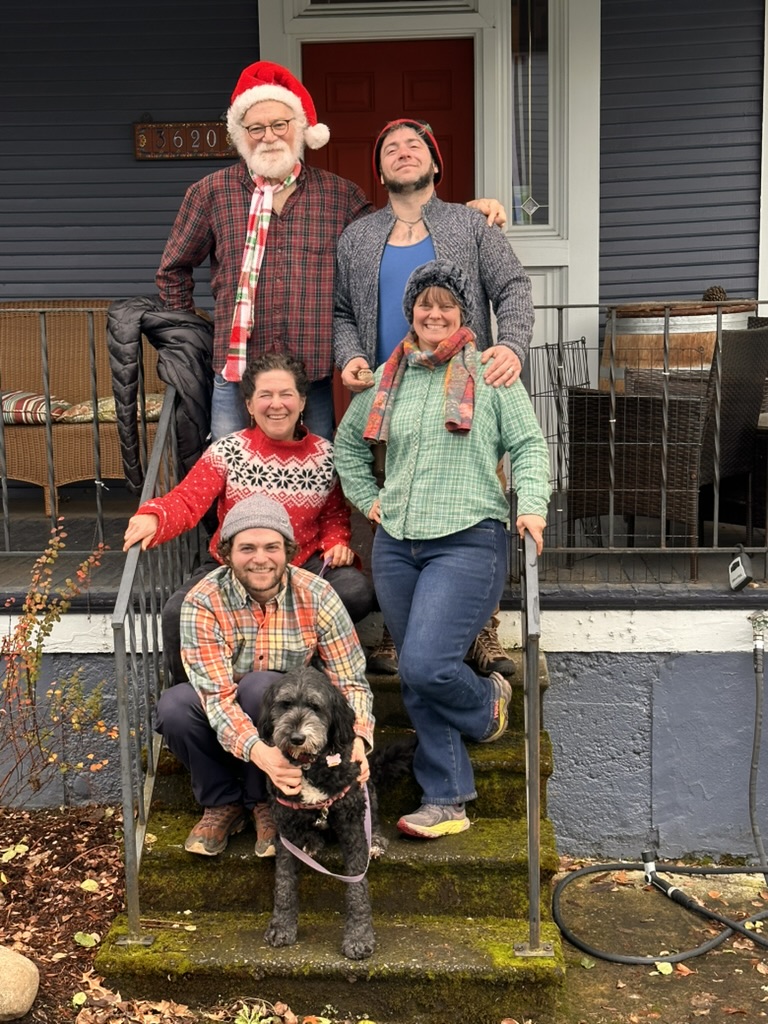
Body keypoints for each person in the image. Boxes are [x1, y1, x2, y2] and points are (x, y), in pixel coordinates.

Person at [156, 61, 505, 443]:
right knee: (228, 469)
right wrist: (189, 337)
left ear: (300, 128)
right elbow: (173, 270)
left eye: (279, 124)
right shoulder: (210, 193)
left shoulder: (339, 196)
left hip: (311, 376)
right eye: (256, 128)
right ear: (241, 134)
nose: (268, 136)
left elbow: (399, 232)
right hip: (236, 373)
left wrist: (464, 213)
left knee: (318, 471)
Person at [333, 259, 550, 840]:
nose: (434, 313)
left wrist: (531, 503)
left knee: (427, 665)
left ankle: (487, 707)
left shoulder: (491, 373)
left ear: (462, 313)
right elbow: (348, 446)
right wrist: (369, 500)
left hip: (468, 539)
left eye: (446, 304)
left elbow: (529, 446)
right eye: (424, 304)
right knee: (415, 675)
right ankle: (446, 798)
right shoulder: (389, 377)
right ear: (411, 313)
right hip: (397, 543)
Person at [333, 117, 534, 676]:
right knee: (392, 509)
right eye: (390, 148)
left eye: (414, 144)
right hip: (391, 396)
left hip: (463, 394)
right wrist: (349, 356)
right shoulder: (358, 237)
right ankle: (402, 629)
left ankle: (480, 629)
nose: (403, 152)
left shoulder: (471, 225)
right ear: (379, 171)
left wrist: (512, 345)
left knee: (470, 513)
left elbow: (513, 288)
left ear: (435, 162)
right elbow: (343, 312)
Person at [123, 352, 376, 687]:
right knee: (176, 612)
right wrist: (156, 516)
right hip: (234, 565)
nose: (276, 404)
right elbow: (188, 499)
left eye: (286, 394)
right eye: (265, 395)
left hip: (301, 566)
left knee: (356, 591)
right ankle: (192, 699)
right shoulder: (228, 451)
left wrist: (336, 542)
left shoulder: (326, 456)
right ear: (249, 405)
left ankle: (301, 665)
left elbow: (333, 515)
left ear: (302, 402)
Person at [153, 494, 374, 859]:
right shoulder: (202, 600)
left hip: (285, 718)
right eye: (247, 548)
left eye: (271, 547)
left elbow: (349, 681)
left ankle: (265, 802)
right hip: (226, 715)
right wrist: (261, 753)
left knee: (263, 687)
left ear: (289, 551)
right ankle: (222, 802)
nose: (260, 559)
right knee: (174, 707)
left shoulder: (318, 595)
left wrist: (359, 738)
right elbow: (216, 698)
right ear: (227, 554)